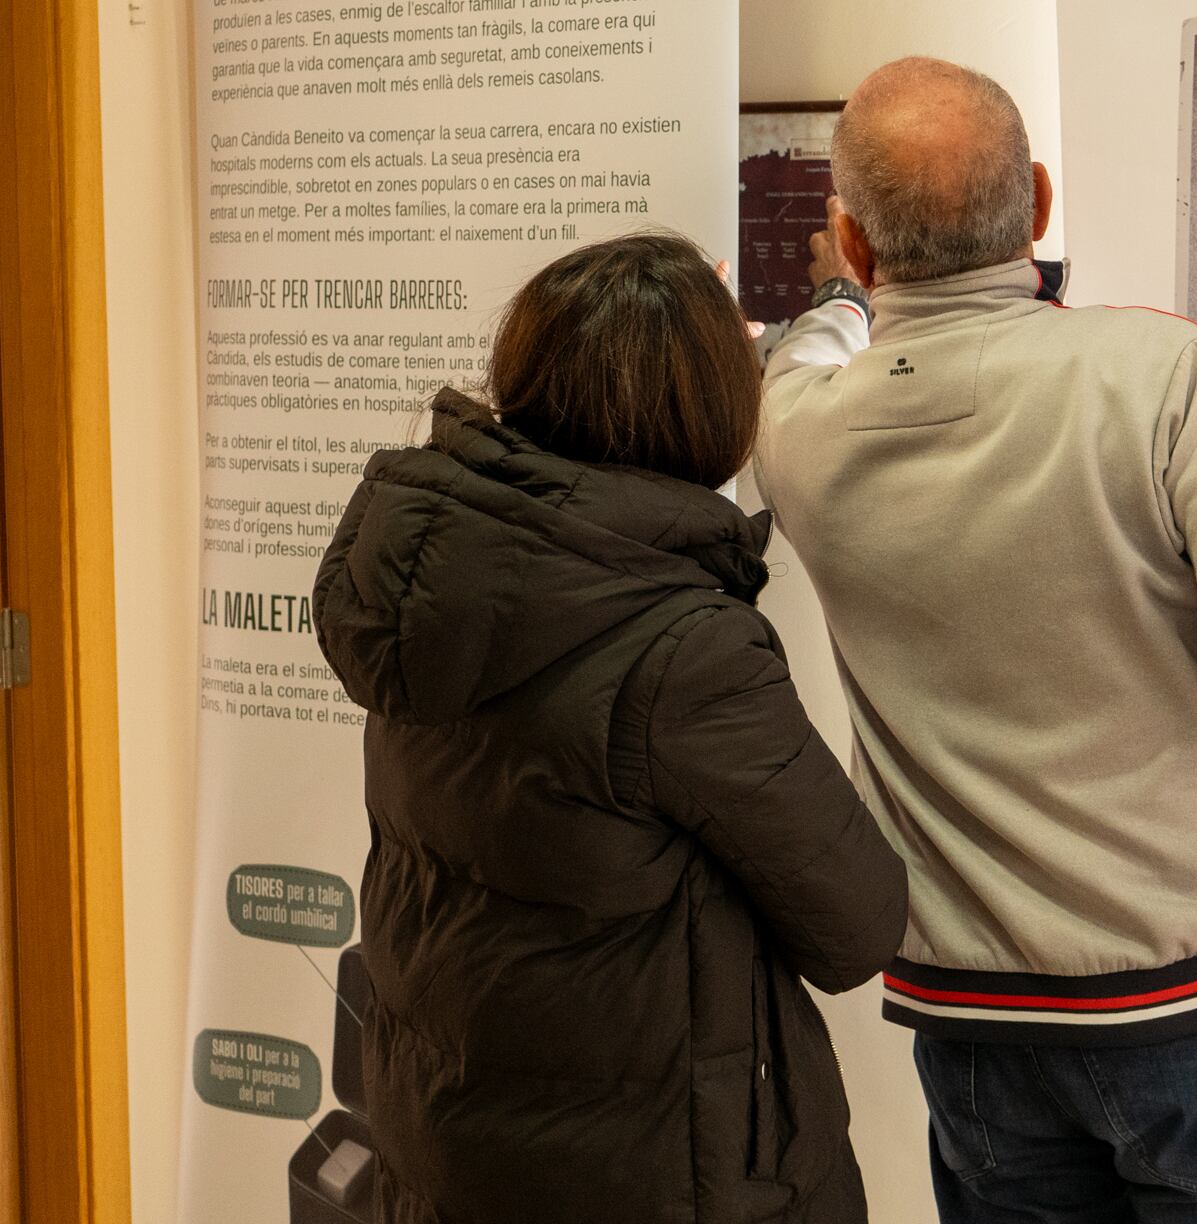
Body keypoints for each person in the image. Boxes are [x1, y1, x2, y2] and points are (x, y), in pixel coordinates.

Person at [757, 56, 1197, 1224]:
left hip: (975, 1021)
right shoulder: (1162, 375)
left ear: (849, 238)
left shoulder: (799, 435)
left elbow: (805, 352)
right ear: (1038, 203)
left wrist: (847, 305)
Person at [312, 232, 908, 1224]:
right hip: (662, 1176)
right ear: (717, 404)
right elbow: (857, 920)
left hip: (453, 1151)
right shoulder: (683, 652)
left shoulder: (431, 578)